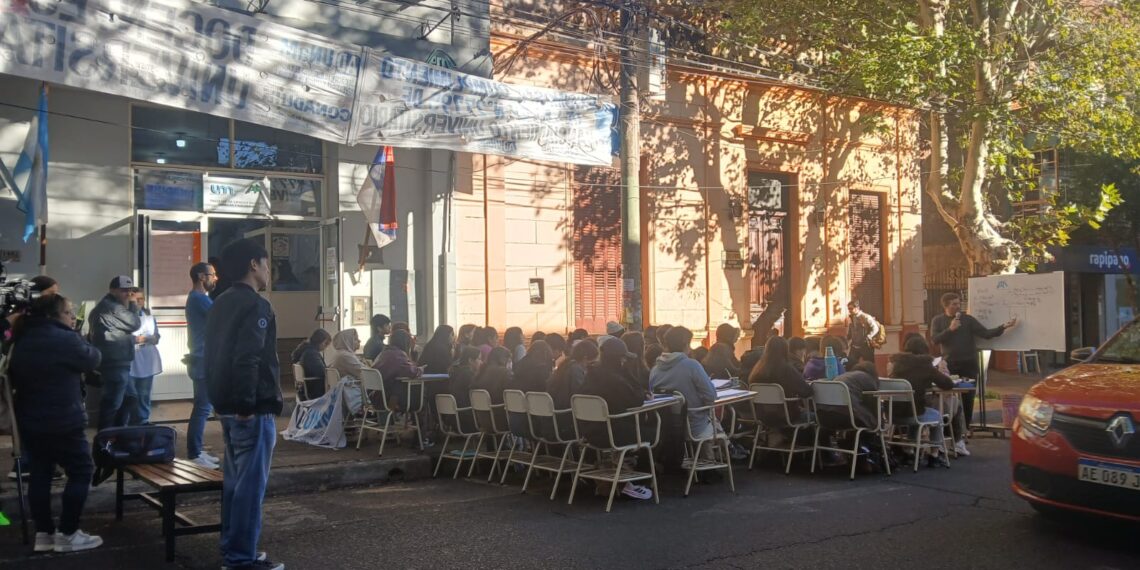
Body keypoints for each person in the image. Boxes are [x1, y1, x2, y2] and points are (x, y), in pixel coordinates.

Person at [204, 239, 284, 570]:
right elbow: (248, 357)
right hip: (251, 409)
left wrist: (223, 401)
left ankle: (234, 549)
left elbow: (212, 354)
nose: (268, 271)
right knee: (250, 488)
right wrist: (248, 405)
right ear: (253, 264)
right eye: (266, 264)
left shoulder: (220, 301)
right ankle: (241, 559)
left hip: (226, 405)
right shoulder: (256, 305)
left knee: (235, 484)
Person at [10, 295, 103, 553]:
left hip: (30, 419)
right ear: (53, 315)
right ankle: (68, 533)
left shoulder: (22, 338)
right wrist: (79, 336)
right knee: (81, 470)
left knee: (40, 473)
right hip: (63, 418)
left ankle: (44, 534)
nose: (72, 317)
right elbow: (93, 358)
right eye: (68, 312)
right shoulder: (64, 338)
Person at [580, 337, 653, 500]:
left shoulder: (591, 375)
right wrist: (628, 374)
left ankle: (624, 474)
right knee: (654, 433)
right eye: (623, 358)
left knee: (641, 429)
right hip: (612, 432)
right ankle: (641, 479)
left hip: (590, 432)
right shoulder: (614, 379)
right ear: (618, 359)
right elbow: (634, 400)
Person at [930, 292, 1017, 426]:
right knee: (948, 396)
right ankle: (952, 428)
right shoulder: (938, 320)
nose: (958, 306)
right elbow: (935, 340)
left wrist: (1004, 326)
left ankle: (967, 426)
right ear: (946, 306)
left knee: (968, 397)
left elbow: (985, 334)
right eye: (954, 304)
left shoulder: (967, 320)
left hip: (969, 363)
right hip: (950, 364)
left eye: (959, 303)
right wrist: (950, 329)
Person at [888, 336, 955, 467]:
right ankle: (934, 455)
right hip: (914, 414)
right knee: (937, 417)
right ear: (924, 350)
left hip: (892, 415)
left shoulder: (896, 366)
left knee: (915, 411)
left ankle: (909, 452)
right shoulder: (925, 366)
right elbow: (947, 384)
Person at [650, 326, 719, 448]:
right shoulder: (692, 365)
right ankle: (727, 450)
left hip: (667, 426)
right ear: (686, 344)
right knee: (717, 422)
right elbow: (711, 396)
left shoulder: (655, 370)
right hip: (694, 425)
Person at [89, 275, 142, 430]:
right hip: (115, 363)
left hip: (117, 361)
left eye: (130, 290)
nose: (128, 294)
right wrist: (133, 304)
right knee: (113, 403)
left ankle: (118, 434)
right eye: (124, 290)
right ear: (112, 290)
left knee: (129, 398)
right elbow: (135, 323)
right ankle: (105, 438)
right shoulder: (113, 308)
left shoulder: (107, 306)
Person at [185, 262, 220, 468]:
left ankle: (197, 450)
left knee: (203, 407)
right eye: (212, 274)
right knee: (202, 408)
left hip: (202, 358)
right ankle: (195, 453)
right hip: (202, 359)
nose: (216, 278)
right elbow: (222, 316)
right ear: (201, 276)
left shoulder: (198, 298)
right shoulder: (199, 299)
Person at [748, 336, 812, 417]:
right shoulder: (786, 369)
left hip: (762, 416)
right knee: (816, 417)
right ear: (785, 350)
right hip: (788, 415)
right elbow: (806, 391)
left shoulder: (758, 369)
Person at [125, 290, 161, 426]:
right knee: (131, 395)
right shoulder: (124, 317)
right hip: (130, 361)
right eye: (136, 299)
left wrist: (152, 338)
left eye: (142, 299)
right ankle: (128, 423)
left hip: (147, 359)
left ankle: (143, 421)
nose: (140, 302)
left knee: (144, 393)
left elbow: (156, 337)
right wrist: (139, 339)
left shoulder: (149, 317)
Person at [373, 329, 424, 410]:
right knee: (420, 391)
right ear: (406, 343)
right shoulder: (398, 355)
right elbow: (411, 372)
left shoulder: (384, 353)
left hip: (375, 396)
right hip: (387, 398)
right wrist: (420, 369)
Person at [548, 339, 598, 409]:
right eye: (592, 363)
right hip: (568, 410)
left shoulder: (565, 364)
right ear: (585, 358)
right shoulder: (576, 369)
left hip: (557, 406)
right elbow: (581, 394)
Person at [291, 329, 332, 399]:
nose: (325, 347)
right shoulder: (311, 354)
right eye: (325, 343)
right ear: (319, 341)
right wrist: (330, 369)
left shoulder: (306, 350)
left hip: (308, 388)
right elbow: (322, 373)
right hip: (315, 390)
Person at [846, 300, 883, 366]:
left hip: (866, 346)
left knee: (869, 365)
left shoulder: (866, 317)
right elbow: (851, 330)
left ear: (857, 308)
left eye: (851, 308)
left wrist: (868, 336)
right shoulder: (851, 317)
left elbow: (875, 328)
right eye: (848, 309)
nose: (849, 310)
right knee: (850, 364)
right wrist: (847, 339)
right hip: (854, 346)